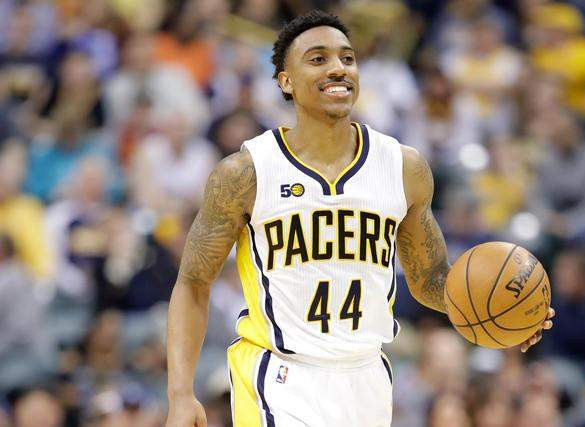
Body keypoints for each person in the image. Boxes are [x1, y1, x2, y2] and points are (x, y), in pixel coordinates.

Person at [166, 10, 553, 427]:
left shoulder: (403, 167)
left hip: (367, 378)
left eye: (347, 58)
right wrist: (180, 394)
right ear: (285, 80)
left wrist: (506, 311)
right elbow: (193, 282)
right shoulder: (246, 173)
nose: (338, 68)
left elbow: (430, 279)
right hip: (280, 375)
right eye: (318, 58)